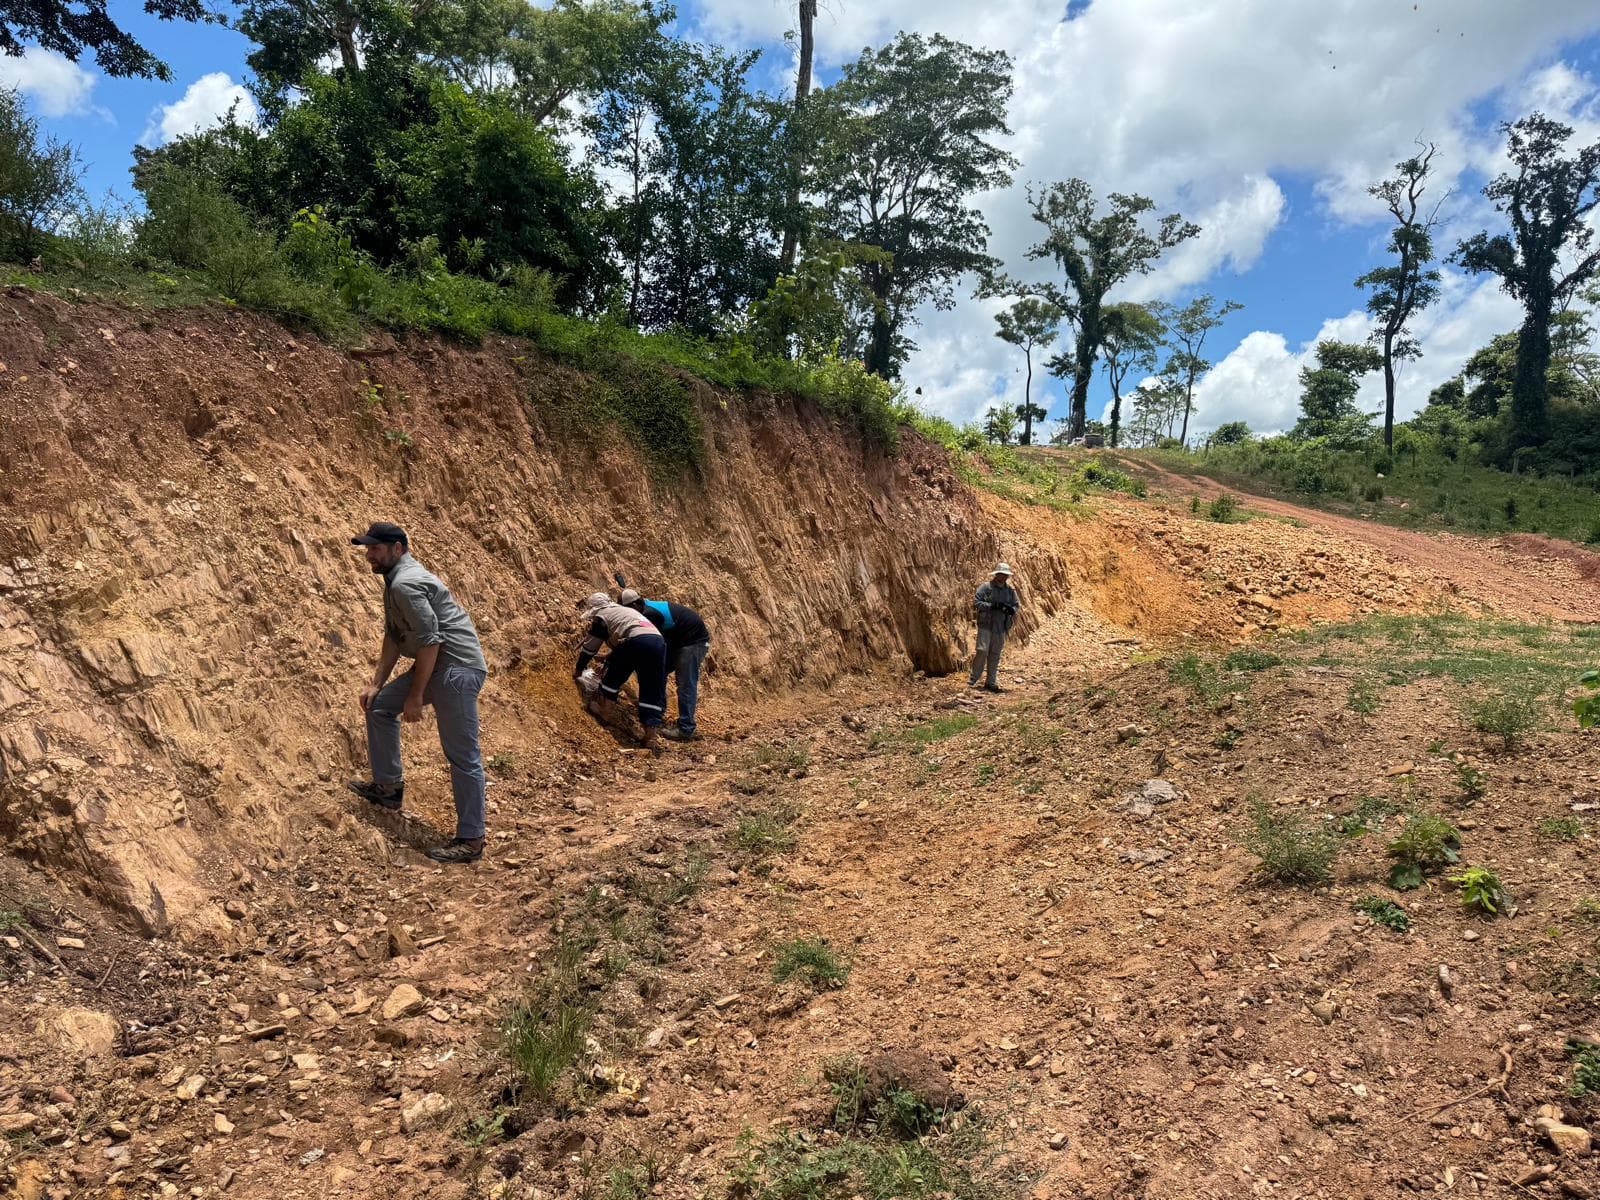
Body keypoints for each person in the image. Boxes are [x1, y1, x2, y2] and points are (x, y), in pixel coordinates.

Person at [345, 522, 489, 864]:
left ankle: (471, 839)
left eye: (375, 549)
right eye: (368, 549)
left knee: (462, 756)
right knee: (378, 707)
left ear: (397, 548)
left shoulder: (406, 584)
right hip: (440, 666)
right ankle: (388, 789)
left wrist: (415, 695)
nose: (369, 555)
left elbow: (430, 640)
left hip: (456, 671)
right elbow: (395, 635)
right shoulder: (395, 580)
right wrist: (376, 682)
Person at [574, 591, 668, 752]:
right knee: (651, 686)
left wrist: (579, 669)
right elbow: (627, 639)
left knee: (615, 675)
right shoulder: (625, 611)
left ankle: (604, 710)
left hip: (636, 641)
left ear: (594, 609)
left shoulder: (602, 616)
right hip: (659, 643)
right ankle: (650, 735)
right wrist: (609, 659)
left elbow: (590, 647)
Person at [619, 588, 710, 740]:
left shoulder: (650, 614)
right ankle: (657, 713)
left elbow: (651, 640)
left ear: (634, 606)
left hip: (693, 642)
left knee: (685, 683)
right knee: (657, 673)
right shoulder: (644, 607)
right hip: (677, 640)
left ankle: (686, 729)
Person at [968, 562, 1019, 692]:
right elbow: (976, 602)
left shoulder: (1010, 591)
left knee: (995, 654)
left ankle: (991, 682)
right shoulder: (985, 587)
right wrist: (991, 606)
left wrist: (1010, 609)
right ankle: (973, 679)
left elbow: (1015, 606)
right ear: (996, 574)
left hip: (1000, 626)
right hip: (986, 624)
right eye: (1001, 574)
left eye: (1005, 575)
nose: (1003, 577)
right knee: (982, 650)